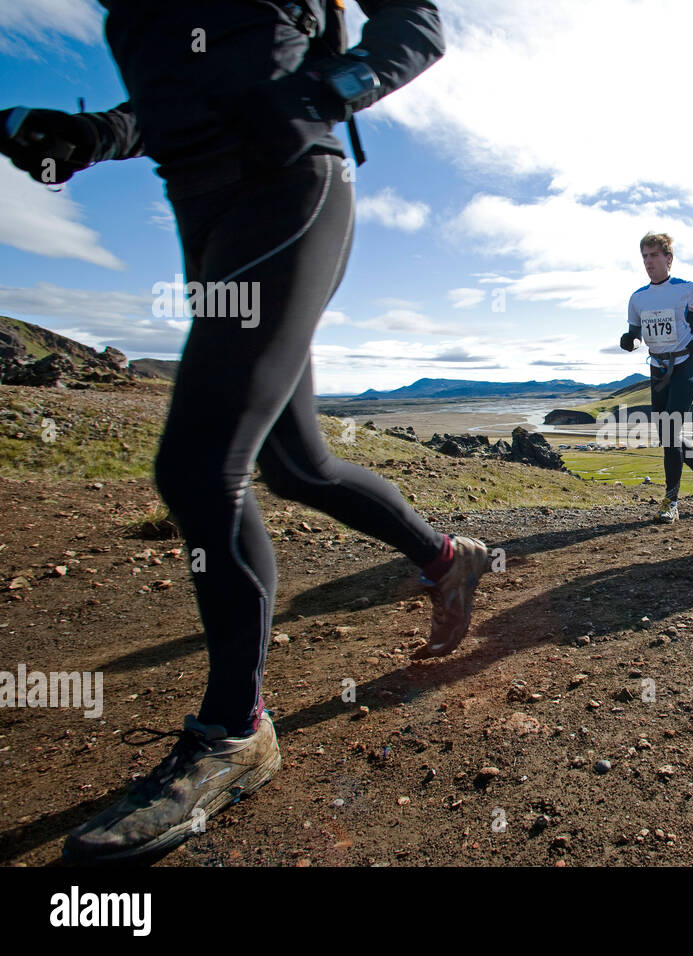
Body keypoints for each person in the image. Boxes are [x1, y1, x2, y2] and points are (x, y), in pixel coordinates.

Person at [0, 1, 482, 864]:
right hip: (201, 209)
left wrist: (338, 83)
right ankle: (447, 557)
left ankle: (235, 730)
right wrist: (89, 136)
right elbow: (178, 96)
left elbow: (418, 19)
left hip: (290, 178)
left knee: (198, 465)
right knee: (297, 464)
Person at [620, 232, 693, 523]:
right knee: (667, 434)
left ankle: (671, 501)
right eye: (645, 257)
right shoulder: (637, 298)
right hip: (658, 369)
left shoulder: (686, 289)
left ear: (668, 258)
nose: (648, 262)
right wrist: (630, 340)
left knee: (670, 431)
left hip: (686, 365)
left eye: (654, 256)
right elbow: (637, 333)